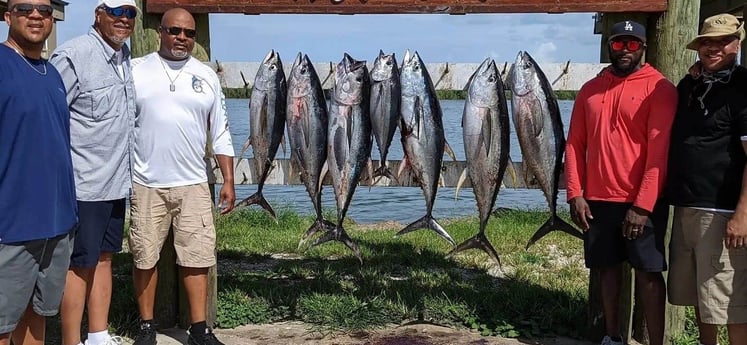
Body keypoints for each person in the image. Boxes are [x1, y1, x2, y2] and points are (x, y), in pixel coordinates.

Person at [564, 20, 677, 345]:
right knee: (606, 269)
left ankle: (657, 341)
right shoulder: (589, 89)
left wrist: (642, 206)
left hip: (642, 202)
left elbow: (659, 154)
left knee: (649, 274)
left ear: (644, 47)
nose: (625, 50)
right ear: (609, 46)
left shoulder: (660, 89)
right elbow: (574, 144)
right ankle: (612, 337)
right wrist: (575, 192)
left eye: (632, 44)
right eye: (618, 44)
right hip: (597, 199)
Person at [128, 7, 235, 345]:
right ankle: (146, 327)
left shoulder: (206, 76)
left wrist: (228, 179)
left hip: (193, 183)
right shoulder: (134, 70)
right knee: (145, 256)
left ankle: (199, 329)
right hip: (145, 181)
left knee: (197, 257)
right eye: (175, 31)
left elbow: (220, 131)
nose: (182, 38)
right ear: (160, 31)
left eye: (189, 33)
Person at [48, 1, 139, 344]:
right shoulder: (74, 55)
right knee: (78, 264)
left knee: (104, 258)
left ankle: (98, 334)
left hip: (116, 183)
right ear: (98, 13)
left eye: (130, 14)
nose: (123, 20)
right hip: (83, 185)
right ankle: (71, 339)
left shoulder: (124, 56)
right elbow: (52, 116)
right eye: (116, 12)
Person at [666, 13, 747, 345]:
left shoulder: (744, 86)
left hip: (722, 211)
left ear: (737, 44)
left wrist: (742, 216)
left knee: (731, 303)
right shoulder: (690, 84)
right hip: (686, 207)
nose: (713, 48)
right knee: (702, 298)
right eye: (706, 42)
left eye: (722, 41)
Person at [0, 0, 78, 344]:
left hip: (58, 222)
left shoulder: (53, 73)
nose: (35, 15)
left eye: (44, 11)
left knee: (39, 315)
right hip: (11, 225)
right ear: (7, 16)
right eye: (24, 8)